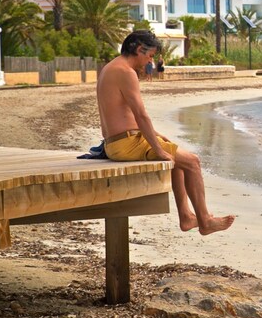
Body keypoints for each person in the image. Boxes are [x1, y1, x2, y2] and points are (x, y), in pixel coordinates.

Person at [97, 31, 234, 235]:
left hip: (116, 143)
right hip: (125, 144)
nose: (150, 61)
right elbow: (141, 115)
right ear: (138, 49)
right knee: (193, 161)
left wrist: (157, 136)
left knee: (178, 162)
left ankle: (187, 217)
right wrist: (157, 148)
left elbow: (126, 117)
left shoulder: (111, 67)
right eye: (150, 56)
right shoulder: (126, 72)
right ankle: (205, 221)